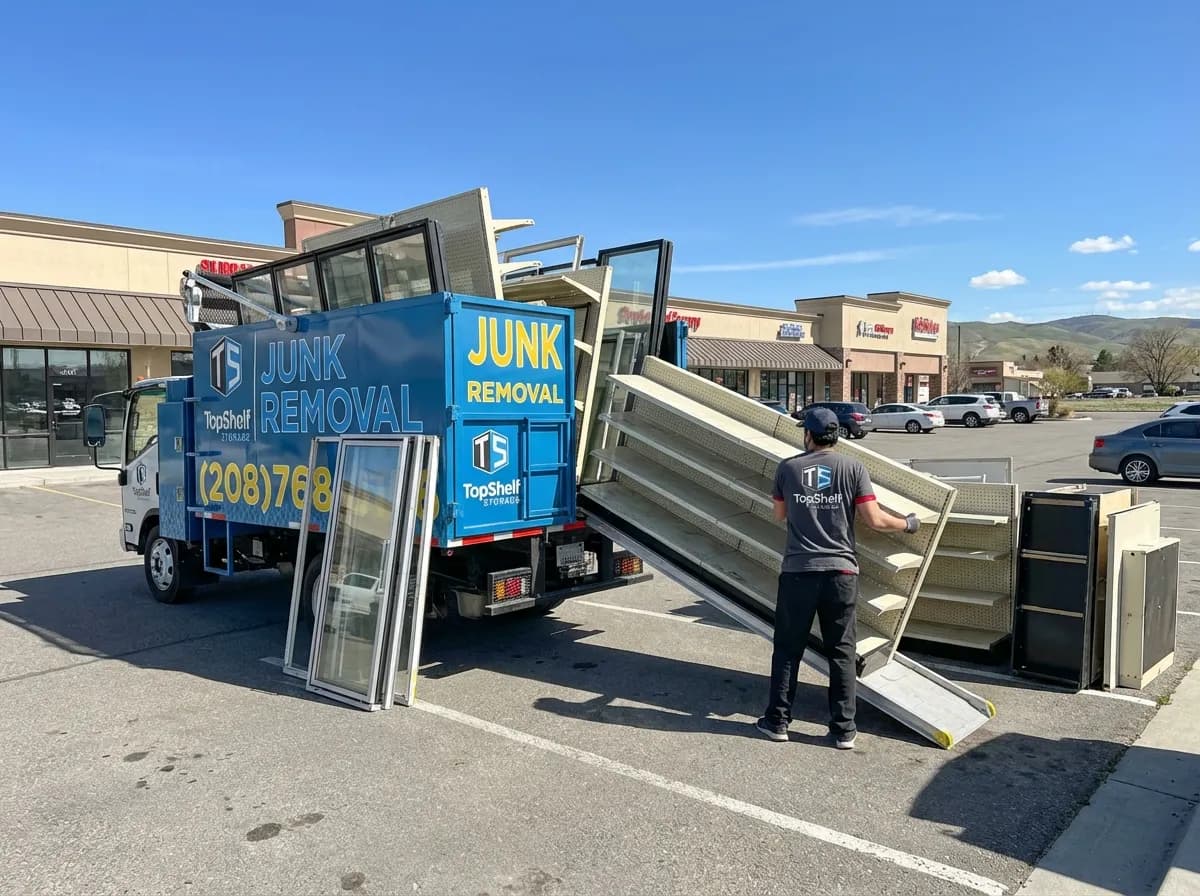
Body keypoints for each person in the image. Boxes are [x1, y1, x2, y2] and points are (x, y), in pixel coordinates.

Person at [755, 407, 920, 750]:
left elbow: (779, 515)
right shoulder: (853, 468)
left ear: (808, 436)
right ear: (837, 435)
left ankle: (777, 722)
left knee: (787, 649)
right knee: (842, 653)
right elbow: (873, 520)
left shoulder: (788, 468)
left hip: (799, 572)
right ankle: (843, 729)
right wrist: (908, 523)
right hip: (842, 573)